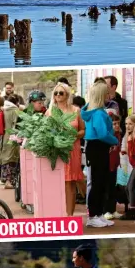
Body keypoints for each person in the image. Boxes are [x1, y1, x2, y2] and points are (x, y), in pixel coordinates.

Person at [81, 82, 118, 228]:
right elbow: (102, 133)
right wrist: (114, 139)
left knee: (100, 182)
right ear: (102, 95)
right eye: (107, 92)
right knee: (97, 183)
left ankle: (98, 214)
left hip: (96, 147)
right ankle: (93, 216)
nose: (110, 95)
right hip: (97, 147)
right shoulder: (98, 113)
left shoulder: (95, 111)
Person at [47, 83, 84, 216]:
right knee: (57, 183)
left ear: (67, 94)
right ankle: (58, 214)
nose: (58, 95)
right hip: (57, 152)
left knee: (70, 183)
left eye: (61, 93)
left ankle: (69, 216)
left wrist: (73, 136)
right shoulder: (50, 111)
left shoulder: (75, 110)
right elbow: (45, 132)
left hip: (72, 151)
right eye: (56, 93)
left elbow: (82, 130)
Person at [121, 114, 135, 220]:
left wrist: (129, 142)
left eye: (130, 124)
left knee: (130, 187)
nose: (127, 126)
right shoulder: (130, 136)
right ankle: (131, 209)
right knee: (128, 187)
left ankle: (132, 210)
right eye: (126, 124)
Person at [0, 94, 21, 189]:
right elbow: (16, 126)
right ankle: (9, 181)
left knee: (6, 158)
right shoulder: (15, 111)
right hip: (12, 137)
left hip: (4, 136)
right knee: (12, 159)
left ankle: (4, 179)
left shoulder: (4, 110)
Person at [103, 110, 122, 221]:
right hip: (107, 165)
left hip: (114, 164)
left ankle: (112, 209)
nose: (117, 125)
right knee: (106, 188)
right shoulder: (108, 136)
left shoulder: (118, 135)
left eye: (118, 123)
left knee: (112, 187)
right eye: (114, 123)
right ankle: (105, 210)